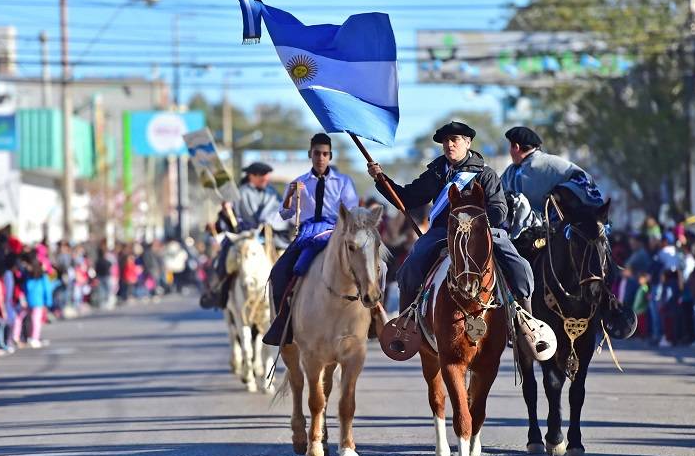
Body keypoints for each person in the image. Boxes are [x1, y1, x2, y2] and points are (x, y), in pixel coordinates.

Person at [366, 121, 535, 334]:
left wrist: (475, 225)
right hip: (443, 233)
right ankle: (405, 325)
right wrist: (381, 179)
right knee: (409, 268)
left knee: (520, 266)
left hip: (482, 232)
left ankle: (526, 321)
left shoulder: (485, 174)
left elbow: (499, 209)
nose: (449, 145)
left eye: (454, 140)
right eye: (445, 141)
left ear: (468, 143)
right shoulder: (436, 172)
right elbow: (407, 198)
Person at [500, 126, 636, 339]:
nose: (510, 151)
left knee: (595, 256)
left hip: (568, 225)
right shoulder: (514, 171)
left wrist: (562, 193)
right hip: (534, 230)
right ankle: (513, 312)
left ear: (516, 147)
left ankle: (609, 306)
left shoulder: (542, 165)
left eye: (510, 147)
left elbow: (581, 181)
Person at [263, 133, 359, 346]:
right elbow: (285, 214)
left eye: (325, 154)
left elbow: (352, 212)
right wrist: (290, 196)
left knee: (367, 266)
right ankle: (283, 324)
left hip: (335, 232)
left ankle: (371, 318)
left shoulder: (343, 182)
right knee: (278, 272)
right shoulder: (298, 183)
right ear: (310, 154)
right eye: (317, 153)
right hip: (306, 234)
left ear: (330, 156)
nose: (320, 158)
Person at [200, 161, 285, 309]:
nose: (266, 178)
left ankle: (288, 295)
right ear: (251, 176)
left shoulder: (272, 193)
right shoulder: (239, 194)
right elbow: (229, 219)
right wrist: (226, 212)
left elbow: (281, 214)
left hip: (270, 238)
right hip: (242, 237)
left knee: (287, 259)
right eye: (262, 175)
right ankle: (219, 291)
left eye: (266, 175)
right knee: (226, 257)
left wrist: (270, 225)